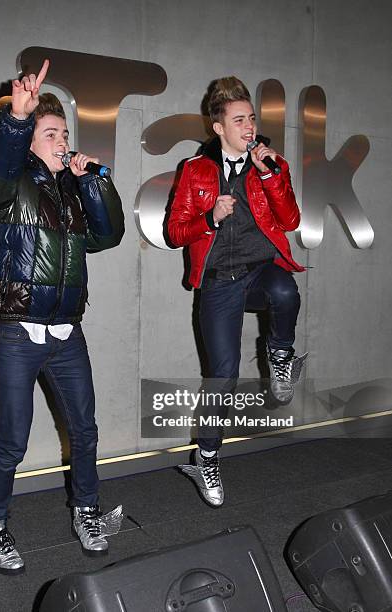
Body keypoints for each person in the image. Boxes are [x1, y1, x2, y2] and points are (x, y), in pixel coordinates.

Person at [0, 60, 125, 573]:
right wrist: (17, 117)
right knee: (11, 441)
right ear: (29, 142)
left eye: (64, 133)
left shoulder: (72, 193)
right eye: (50, 132)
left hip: (67, 335)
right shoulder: (7, 189)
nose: (61, 141)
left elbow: (108, 236)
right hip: (18, 334)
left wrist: (93, 185)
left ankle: (87, 512)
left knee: (86, 431)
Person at [167, 76, 307, 508]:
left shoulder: (268, 165)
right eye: (239, 120)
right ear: (219, 128)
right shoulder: (195, 171)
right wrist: (209, 218)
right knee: (223, 375)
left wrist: (273, 175)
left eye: (252, 119)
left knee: (285, 291)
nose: (249, 128)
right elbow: (175, 233)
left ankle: (279, 356)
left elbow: (290, 220)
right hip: (218, 284)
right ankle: (206, 455)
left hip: (259, 271)